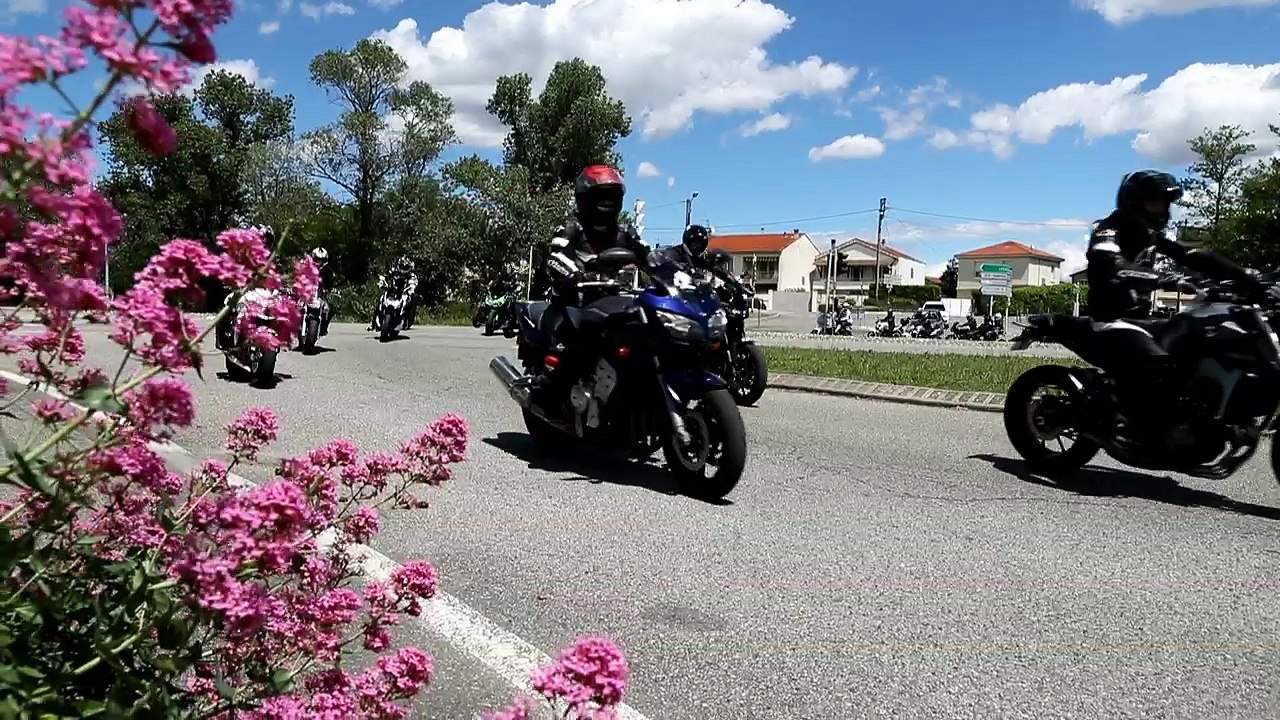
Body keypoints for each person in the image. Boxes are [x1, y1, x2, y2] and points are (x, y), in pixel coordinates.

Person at [1084, 169, 1255, 438]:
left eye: (1165, 202)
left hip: (1145, 318)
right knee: (1158, 362)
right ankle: (1138, 427)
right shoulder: (1108, 230)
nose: (1162, 209)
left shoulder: (1151, 235)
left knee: (1195, 343)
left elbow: (1190, 255)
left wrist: (1243, 276)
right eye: (1154, 201)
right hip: (1110, 319)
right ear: (1133, 200)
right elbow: (1112, 265)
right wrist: (1165, 280)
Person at [540, 165, 656, 350]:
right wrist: (576, 275)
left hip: (610, 303)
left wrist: (671, 270)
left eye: (612, 196)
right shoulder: (571, 227)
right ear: (584, 197)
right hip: (571, 303)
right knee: (568, 347)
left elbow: (650, 255)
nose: (608, 201)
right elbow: (556, 256)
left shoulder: (625, 232)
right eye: (602, 195)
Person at [216, 223, 276, 351]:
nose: (264, 243)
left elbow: (275, 278)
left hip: (263, 294)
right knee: (227, 304)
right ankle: (223, 341)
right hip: (243, 292)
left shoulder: (269, 260)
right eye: (263, 239)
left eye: (267, 241)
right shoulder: (242, 256)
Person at [369, 256, 419, 332]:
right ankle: (373, 324)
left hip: (403, 293)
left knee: (410, 301)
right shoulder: (393, 271)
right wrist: (382, 282)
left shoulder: (411, 276)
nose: (403, 269)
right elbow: (385, 277)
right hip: (392, 292)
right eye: (402, 266)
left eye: (406, 267)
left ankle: (408, 321)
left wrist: (411, 289)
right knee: (380, 299)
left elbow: (414, 283)